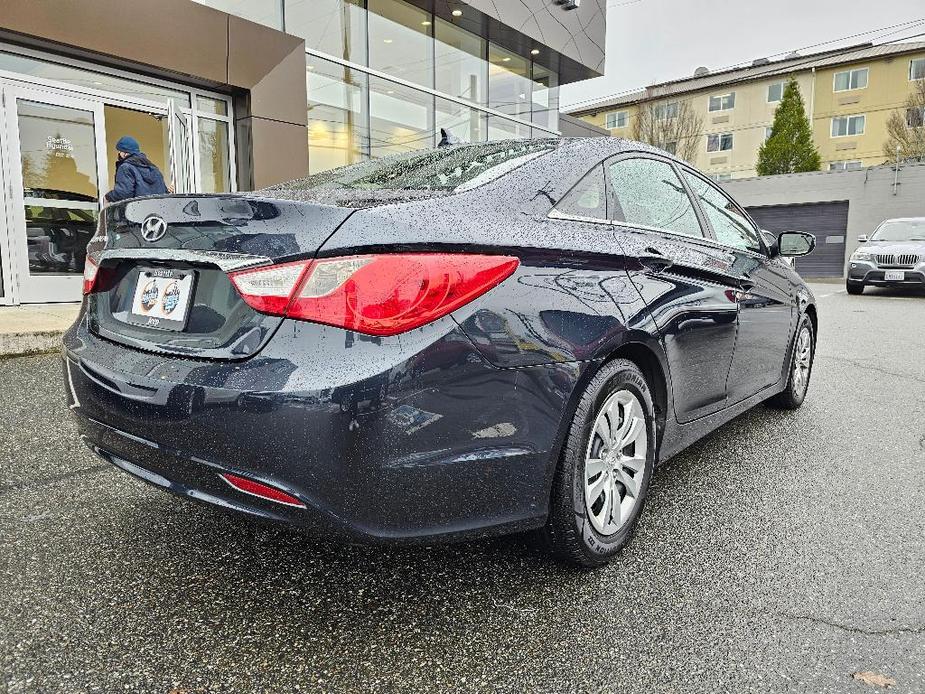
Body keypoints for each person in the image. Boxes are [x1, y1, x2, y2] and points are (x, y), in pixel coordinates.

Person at [104, 136, 168, 203]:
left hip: (137, 211)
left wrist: (108, 197)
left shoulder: (125, 167)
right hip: (157, 211)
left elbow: (124, 193)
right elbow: (164, 193)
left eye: (120, 151)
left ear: (125, 153)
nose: (119, 154)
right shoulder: (154, 169)